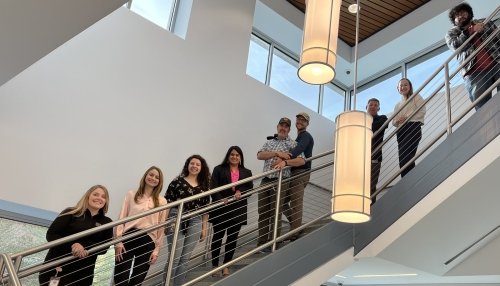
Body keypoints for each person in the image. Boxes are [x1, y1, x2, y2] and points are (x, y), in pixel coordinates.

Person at [38, 185, 113, 286]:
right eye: (96, 194)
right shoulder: (71, 212)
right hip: (57, 267)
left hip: (83, 274)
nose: (99, 198)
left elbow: (104, 247)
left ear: (106, 201)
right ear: (88, 196)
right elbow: (51, 235)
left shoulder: (107, 222)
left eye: (103, 196)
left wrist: (84, 246)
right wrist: (73, 246)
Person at [256, 117, 305, 251]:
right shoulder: (269, 142)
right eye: (281, 125)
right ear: (277, 127)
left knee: (276, 212)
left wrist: (285, 162)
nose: (283, 128)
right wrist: (277, 153)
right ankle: (262, 243)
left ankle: (274, 243)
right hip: (265, 179)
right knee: (263, 211)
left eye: (286, 126)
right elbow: (259, 155)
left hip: (281, 180)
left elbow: (301, 160)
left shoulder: (293, 144)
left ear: (289, 129)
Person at [114, 166, 168, 286]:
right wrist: (118, 241)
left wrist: (157, 250)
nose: (153, 178)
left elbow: (161, 227)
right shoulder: (131, 194)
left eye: (156, 177)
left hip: (148, 241)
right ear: (145, 176)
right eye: (151, 175)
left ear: (160, 181)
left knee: (137, 281)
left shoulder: (162, 201)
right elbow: (121, 218)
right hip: (128, 237)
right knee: (120, 279)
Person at [163, 155, 210, 286]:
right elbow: (168, 203)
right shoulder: (176, 181)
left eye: (198, 164)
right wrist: (165, 223)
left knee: (185, 259)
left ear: (201, 168)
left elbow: (205, 209)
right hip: (175, 217)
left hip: (195, 220)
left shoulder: (205, 186)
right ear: (187, 165)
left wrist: (204, 229)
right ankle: (165, 284)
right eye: (192, 163)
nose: (194, 166)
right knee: (174, 257)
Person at [445, 2, 500, 110]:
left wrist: (482, 28)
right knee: (482, 108)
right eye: (457, 16)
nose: (460, 16)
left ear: (469, 13)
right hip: (474, 73)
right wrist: (471, 30)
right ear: (454, 20)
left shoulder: (485, 22)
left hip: (497, 63)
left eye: (463, 13)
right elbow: (455, 46)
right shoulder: (451, 32)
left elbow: (498, 38)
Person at [209, 146, 253, 277]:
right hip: (221, 208)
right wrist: (221, 199)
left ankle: (226, 266)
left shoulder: (247, 172)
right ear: (228, 156)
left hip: (237, 209)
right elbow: (213, 187)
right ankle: (215, 265)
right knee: (217, 237)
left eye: (237, 155)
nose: (234, 157)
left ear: (241, 158)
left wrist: (241, 191)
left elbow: (249, 188)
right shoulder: (218, 169)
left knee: (232, 239)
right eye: (232, 154)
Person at [281, 112, 314, 240]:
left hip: (301, 173)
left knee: (295, 202)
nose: (300, 121)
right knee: (283, 202)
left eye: (303, 120)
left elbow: (299, 149)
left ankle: (295, 232)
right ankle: (297, 225)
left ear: (307, 124)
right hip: (294, 173)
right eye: (299, 119)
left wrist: (286, 157)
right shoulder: (298, 137)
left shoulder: (305, 136)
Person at [392, 78, 426, 178]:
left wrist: (407, 117)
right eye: (401, 85)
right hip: (401, 131)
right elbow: (394, 121)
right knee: (403, 158)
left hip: (413, 127)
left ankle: (410, 180)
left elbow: (422, 111)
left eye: (405, 85)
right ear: (398, 89)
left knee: (407, 156)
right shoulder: (397, 105)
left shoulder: (416, 96)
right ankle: (407, 180)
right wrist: (398, 121)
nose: (403, 87)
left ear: (410, 86)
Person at [366, 98, 388, 204]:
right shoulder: (362, 120)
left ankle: (372, 210)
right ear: (367, 107)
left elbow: (376, 126)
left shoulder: (382, 118)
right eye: (371, 105)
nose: (373, 107)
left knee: (371, 186)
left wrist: (364, 124)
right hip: (361, 157)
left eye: (375, 105)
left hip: (374, 158)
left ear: (378, 108)